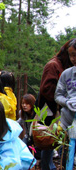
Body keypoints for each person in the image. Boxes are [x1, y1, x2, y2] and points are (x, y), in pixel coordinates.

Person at [37, 38, 75, 170]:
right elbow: (46, 89)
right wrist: (62, 100)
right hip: (46, 108)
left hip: (55, 107)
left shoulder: (65, 67)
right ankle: (46, 166)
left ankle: (50, 165)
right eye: (72, 55)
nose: (73, 59)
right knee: (47, 139)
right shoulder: (53, 65)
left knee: (55, 138)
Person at [54, 38, 76, 170]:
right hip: (67, 119)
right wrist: (67, 102)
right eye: (71, 55)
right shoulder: (66, 74)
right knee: (65, 151)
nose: (73, 58)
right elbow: (58, 95)